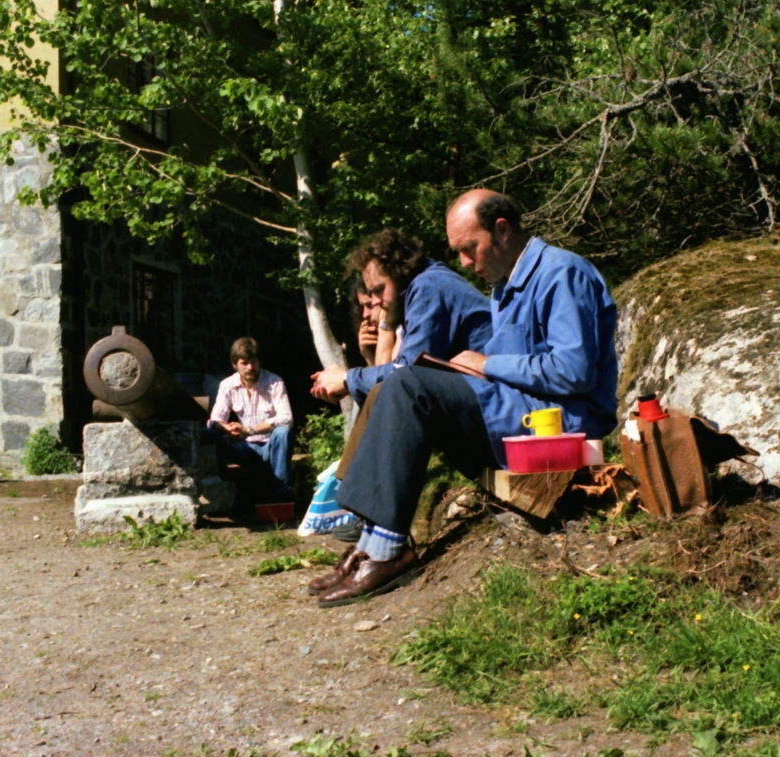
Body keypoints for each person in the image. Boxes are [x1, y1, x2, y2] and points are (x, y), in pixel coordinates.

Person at [308, 190, 619, 606]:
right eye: (458, 252)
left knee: (406, 383)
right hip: (519, 414)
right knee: (400, 384)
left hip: (560, 423)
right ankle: (372, 540)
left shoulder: (561, 273)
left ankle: (388, 550)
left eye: (470, 249)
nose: (465, 264)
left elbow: (573, 371)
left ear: (503, 230)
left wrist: (487, 365)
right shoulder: (504, 288)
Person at [311, 228, 491, 406]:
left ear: (401, 272)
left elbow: (407, 373)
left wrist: (346, 378)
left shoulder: (428, 286)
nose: (375, 302)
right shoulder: (427, 284)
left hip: (490, 400)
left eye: (379, 290)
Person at [206, 337, 295, 498]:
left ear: (259, 362)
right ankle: (223, 491)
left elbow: (286, 418)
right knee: (209, 433)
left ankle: (282, 494)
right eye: (244, 363)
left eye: (253, 362)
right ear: (235, 364)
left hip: (269, 446)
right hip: (242, 447)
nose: (250, 367)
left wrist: (249, 430)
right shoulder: (227, 385)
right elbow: (214, 420)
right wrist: (229, 429)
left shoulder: (274, 382)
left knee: (283, 432)